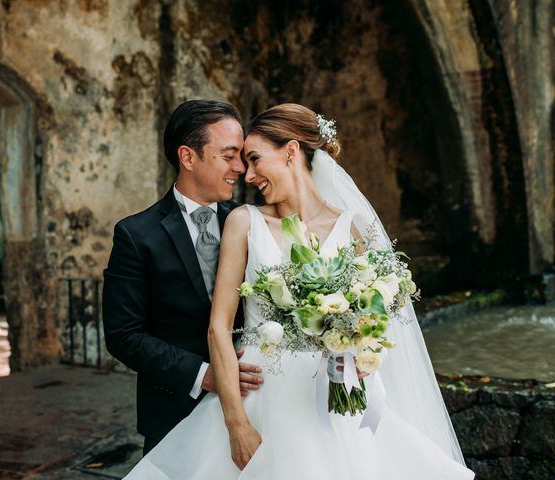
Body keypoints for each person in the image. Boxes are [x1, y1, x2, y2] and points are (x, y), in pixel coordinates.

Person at [123, 104, 475, 479]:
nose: (248, 173)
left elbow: (379, 319)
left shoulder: (352, 229)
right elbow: (217, 328)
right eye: (241, 160)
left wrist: (359, 348)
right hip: (262, 398)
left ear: (291, 152)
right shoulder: (244, 221)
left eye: (255, 159)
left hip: (334, 400)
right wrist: (236, 423)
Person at [102, 100, 263, 455]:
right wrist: (206, 375)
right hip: (176, 412)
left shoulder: (253, 223)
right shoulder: (136, 235)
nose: (240, 168)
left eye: (243, 156)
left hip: (258, 403)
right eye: (229, 155)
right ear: (188, 158)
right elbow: (123, 335)